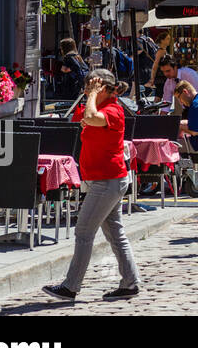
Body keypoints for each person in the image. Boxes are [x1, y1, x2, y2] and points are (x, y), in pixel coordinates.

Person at [43, 68, 141, 302]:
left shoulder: (114, 110)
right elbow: (79, 118)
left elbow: (89, 118)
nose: (87, 91)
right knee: (116, 234)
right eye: (87, 88)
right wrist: (90, 96)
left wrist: (93, 96)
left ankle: (71, 286)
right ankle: (130, 282)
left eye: (91, 88)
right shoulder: (98, 106)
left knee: (84, 231)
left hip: (107, 182)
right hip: (106, 180)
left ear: (105, 90)